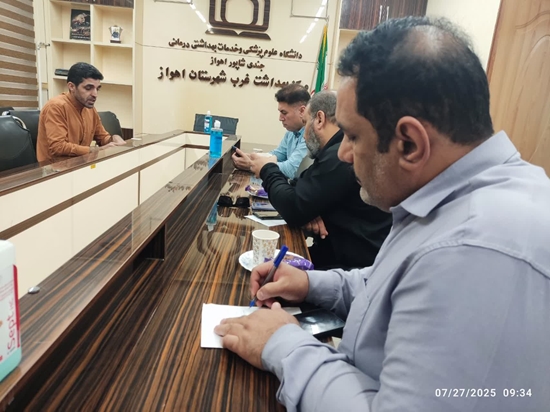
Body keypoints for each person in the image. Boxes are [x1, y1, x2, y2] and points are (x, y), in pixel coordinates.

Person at [215, 17, 550, 412]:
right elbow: (386, 287)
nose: (342, 153)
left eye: (353, 136)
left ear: (409, 144)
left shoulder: (476, 249)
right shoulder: (446, 200)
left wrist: (284, 345)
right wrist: (310, 284)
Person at [252, 90, 392, 270]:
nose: (304, 135)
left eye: (305, 123)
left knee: (263, 270)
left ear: (319, 119)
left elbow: (293, 206)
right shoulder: (333, 151)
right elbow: (301, 191)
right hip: (337, 254)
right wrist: (309, 210)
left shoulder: (338, 156)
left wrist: (267, 169)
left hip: (352, 268)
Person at [36, 62, 126, 163]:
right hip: (54, 169)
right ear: (71, 86)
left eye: (97, 89)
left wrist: (114, 138)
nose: (95, 94)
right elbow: (58, 147)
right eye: (88, 88)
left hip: (80, 165)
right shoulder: (55, 107)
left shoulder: (89, 108)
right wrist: (96, 150)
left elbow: (103, 137)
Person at [232, 84, 309, 179]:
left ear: (302, 111)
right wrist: (253, 157)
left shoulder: (310, 134)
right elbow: (278, 155)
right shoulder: (291, 131)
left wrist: (252, 165)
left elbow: (291, 170)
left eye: (284, 113)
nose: (280, 118)